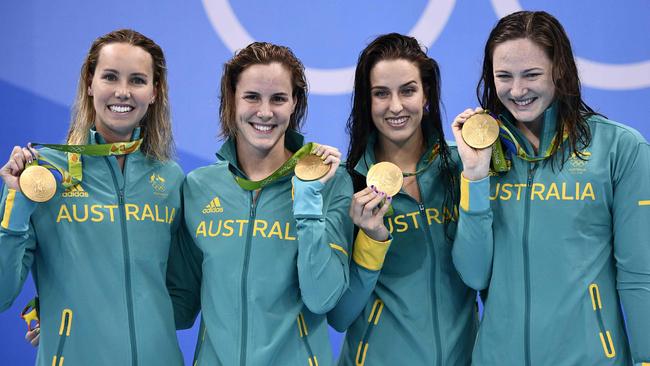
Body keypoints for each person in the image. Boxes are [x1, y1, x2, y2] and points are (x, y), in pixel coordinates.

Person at [451, 11, 650, 365]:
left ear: (560, 71)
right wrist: (476, 177)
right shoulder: (476, 155)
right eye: (504, 76)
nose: (517, 90)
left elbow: (640, 277)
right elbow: (474, 273)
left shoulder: (619, 149)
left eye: (531, 75)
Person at [0, 29, 184, 365]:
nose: (123, 92)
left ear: (155, 92)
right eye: (110, 77)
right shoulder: (43, 174)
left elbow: (186, 291)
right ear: (89, 83)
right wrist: (13, 206)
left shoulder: (170, 178)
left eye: (138, 80)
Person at [166, 42, 353, 365]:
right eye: (252, 97)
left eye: (278, 98)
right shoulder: (199, 187)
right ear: (232, 99)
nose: (265, 112)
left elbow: (322, 297)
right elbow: (178, 308)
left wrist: (307, 196)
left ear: (295, 103)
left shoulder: (332, 184)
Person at [327, 33, 477, 365]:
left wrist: (476, 176)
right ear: (367, 102)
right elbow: (339, 316)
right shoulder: (345, 183)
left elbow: (481, 277)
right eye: (381, 94)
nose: (395, 106)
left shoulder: (462, 168)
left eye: (407, 90)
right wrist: (371, 239)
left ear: (427, 95)